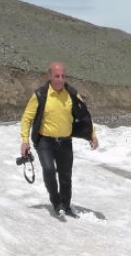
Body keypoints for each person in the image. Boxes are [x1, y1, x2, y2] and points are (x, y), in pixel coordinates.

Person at [20, 62, 99, 218]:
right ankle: (56, 203)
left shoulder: (72, 94)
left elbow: (84, 116)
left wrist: (92, 135)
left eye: (63, 76)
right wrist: (25, 141)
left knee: (65, 176)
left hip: (65, 141)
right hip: (45, 142)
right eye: (57, 76)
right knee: (49, 171)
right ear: (50, 76)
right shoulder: (40, 95)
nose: (60, 79)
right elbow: (27, 118)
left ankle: (66, 206)